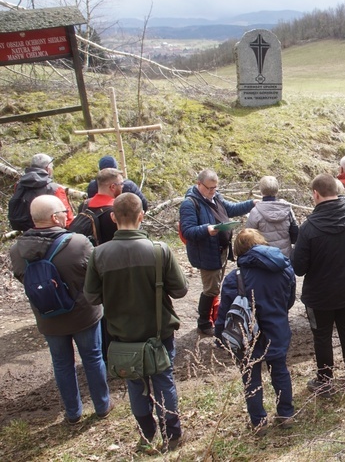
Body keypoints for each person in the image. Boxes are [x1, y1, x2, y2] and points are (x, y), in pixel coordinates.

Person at [84, 193, 188, 451]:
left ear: (112, 218)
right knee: (164, 380)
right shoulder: (159, 250)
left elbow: (92, 297)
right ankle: (172, 435)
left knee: (135, 382)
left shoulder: (98, 255)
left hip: (122, 336)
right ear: (141, 216)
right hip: (158, 332)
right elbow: (181, 290)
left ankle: (147, 434)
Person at [10, 195, 111, 425]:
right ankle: (102, 406)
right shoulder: (78, 243)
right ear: (55, 217)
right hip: (83, 314)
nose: (68, 215)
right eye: (64, 212)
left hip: (48, 316)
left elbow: (22, 278)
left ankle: (73, 413)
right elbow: (96, 275)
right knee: (93, 358)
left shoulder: (17, 250)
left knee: (61, 364)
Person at [293, 174, 345, 396]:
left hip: (320, 295)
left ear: (315, 194)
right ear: (337, 192)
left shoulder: (308, 227)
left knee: (322, 336)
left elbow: (298, 267)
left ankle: (326, 381)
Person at [215, 229, 296, 432]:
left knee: (251, 377)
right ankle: (286, 414)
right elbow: (290, 300)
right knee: (279, 370)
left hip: (246, 335)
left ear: (238, 251)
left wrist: (219, 336)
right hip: (277, 328)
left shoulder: (235, 277)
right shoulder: (284, 268)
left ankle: (258, 422)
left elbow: (225, 314)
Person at [180, 169, 255, 337]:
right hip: (206, 253)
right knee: (211, 289)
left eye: (215, 187)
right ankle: (204, 322)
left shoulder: (216, 197)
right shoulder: (190, 204)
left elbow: (231, 209)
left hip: (220, 251)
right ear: (199, 184)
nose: (213, 191)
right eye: (209, 188)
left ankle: (210, 317)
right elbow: (187, 231)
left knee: (215, 287)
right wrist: (207, 230)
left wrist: (252, 203)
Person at [8, 153, 74, 231]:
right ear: (47, 169)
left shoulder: (19, 185)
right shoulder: (55, 188)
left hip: (25, 231)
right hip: (51, 232)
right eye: (52, 167)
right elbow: (68, 219)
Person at [245, 176, 298, 258]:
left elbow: (248, 237)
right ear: (277, 191)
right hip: (285, 257)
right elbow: (294, 233)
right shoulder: (287, 209)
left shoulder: (255, 212)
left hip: (265, 257)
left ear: (261, 191)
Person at [79, 168, 124, 244]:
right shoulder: (117, 210)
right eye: (121, 184)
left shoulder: (83, 205)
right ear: (112, 187)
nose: (123, 186)